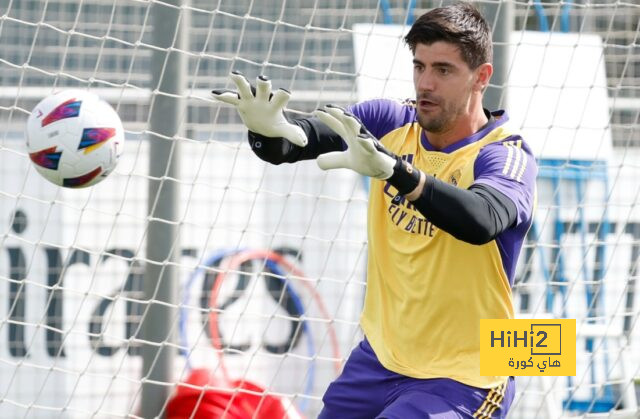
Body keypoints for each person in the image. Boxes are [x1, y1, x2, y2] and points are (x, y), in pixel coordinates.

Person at [212, 2, 536, 418]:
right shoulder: (388, 121)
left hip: (465, 377)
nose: (426, 83)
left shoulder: (505, 154)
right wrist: (270, 131)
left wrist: (397, 172)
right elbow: (299, 141)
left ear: (481, 76)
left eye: (443, 70)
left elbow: (480, 220)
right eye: (419, 66)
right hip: (379, 363)